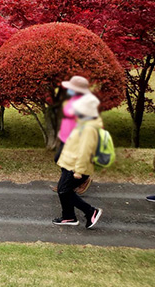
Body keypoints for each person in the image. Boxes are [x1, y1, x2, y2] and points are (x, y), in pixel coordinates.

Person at [53, 93, 104, 229]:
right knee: (63, 191)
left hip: (76, 167)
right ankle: (68, 217)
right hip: (69, 163)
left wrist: (79, 171)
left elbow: (85, 151)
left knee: (64, 191)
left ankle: (91, 211)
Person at [58, 76, 95, 194]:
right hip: (65, 137)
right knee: (59, 159)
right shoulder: (72, 99)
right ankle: (65, 185)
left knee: (66, 164)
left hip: (73, 140)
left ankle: (77, 181)